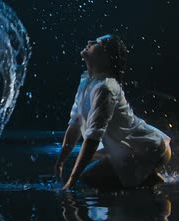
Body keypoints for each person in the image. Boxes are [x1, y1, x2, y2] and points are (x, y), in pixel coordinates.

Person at [55, 34, 171, 191]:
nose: (89, 41)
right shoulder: (86, 83)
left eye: (97, 42)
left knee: (86, 180)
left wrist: (71, 181)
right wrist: (60, 162)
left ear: (106, 58)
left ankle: (145, 178)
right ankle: (143, 176)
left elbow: (93, 137)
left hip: (146, 150)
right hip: (130, 150)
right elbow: (75, 125)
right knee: (88, 176)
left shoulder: (106, 89)